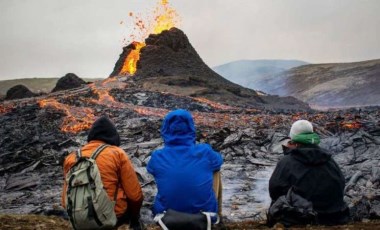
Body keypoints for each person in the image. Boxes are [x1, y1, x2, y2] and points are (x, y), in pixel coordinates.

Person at [62, 116, 143, 229]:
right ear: (114, 137)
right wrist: (135, 217)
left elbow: (64, 199)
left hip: (79, 217)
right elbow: (134, 196)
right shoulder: (117, 154)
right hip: (113, 217)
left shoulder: (72, 157)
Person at [147, 109, 223, 224]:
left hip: (164, 216)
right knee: (215, 169)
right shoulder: (205, 151)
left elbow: (151, 169)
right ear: (191, 128)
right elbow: (219, 161)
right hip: (204, 216)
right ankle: (217, 216)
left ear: (165, 130)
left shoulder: (157, 156)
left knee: (165, 176)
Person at [268, 120, 350, 226]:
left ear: (293, 138)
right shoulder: (330, 160)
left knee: (277, 204)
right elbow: (341, 183)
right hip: (335, 217)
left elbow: (274, 190)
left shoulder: (287, 162)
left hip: (301, 218)